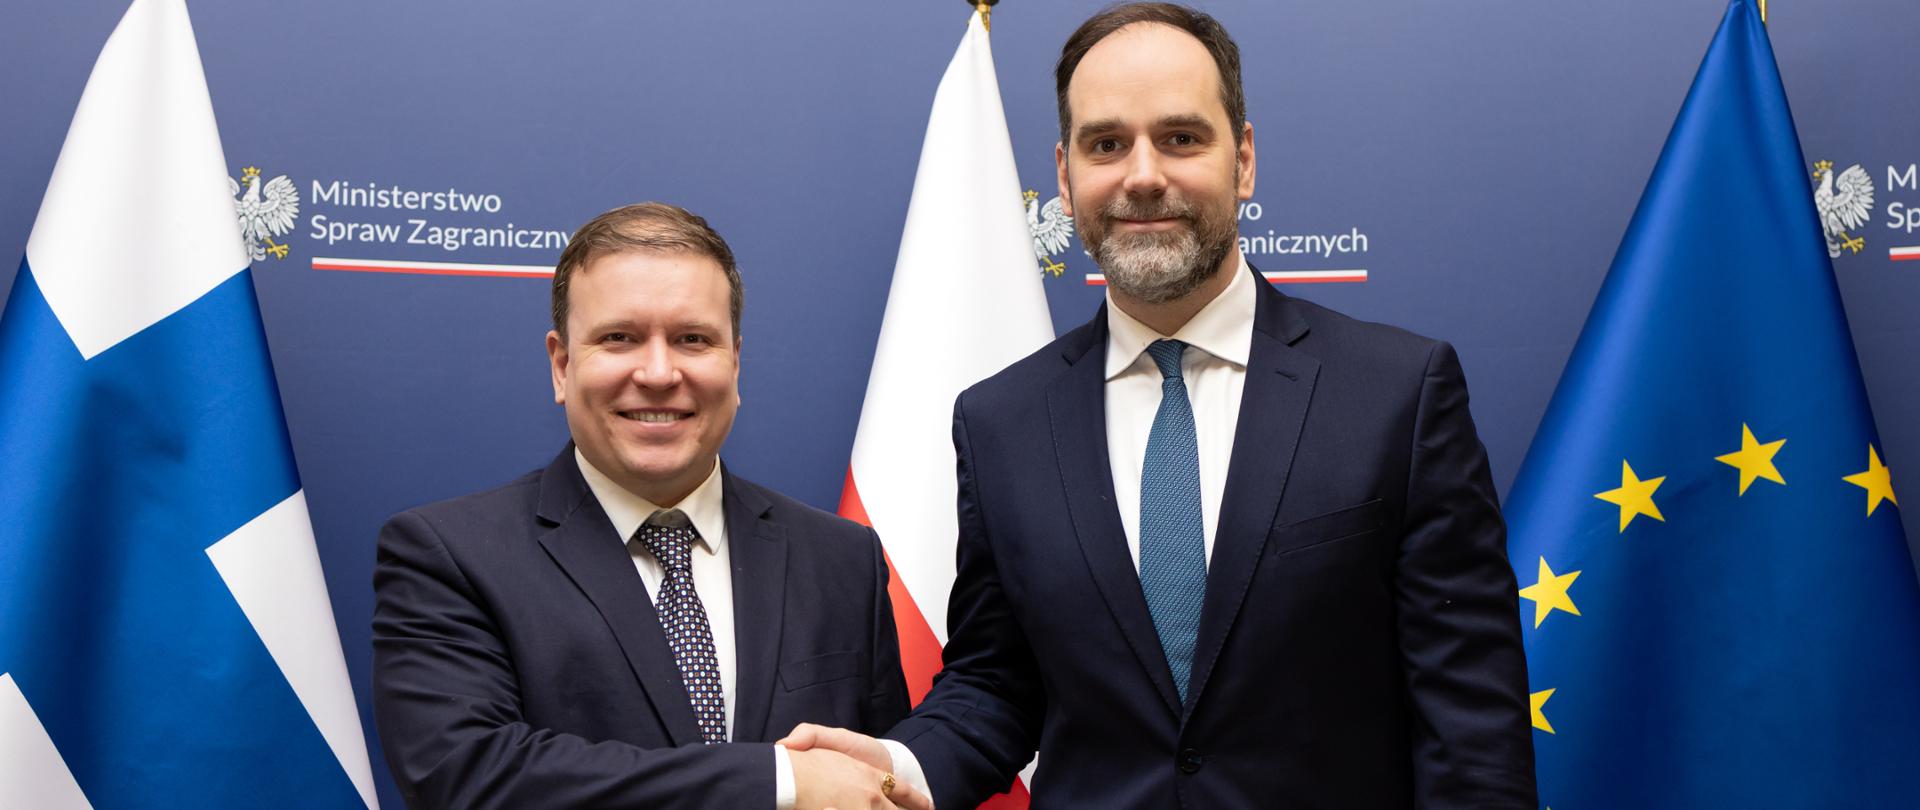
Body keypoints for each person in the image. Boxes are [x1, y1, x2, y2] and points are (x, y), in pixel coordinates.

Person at [780, 5, 1537, 807]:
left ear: (1244, 161)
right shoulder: (1002, 422)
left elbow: (1471, 725)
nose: (1142, 176)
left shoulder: (1397, 392)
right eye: (1106, 144)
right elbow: (997, 682)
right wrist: (898, 767)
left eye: (1180, 137)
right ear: (1065, 175)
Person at [373, 203, 930, 810]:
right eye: (620, 338)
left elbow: (880, 784)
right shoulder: (449, 556)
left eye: (693, 339)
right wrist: (779, 782)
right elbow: (469, 777)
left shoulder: (842, 558)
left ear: (735, 363)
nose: (660, 373)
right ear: (562, 365)